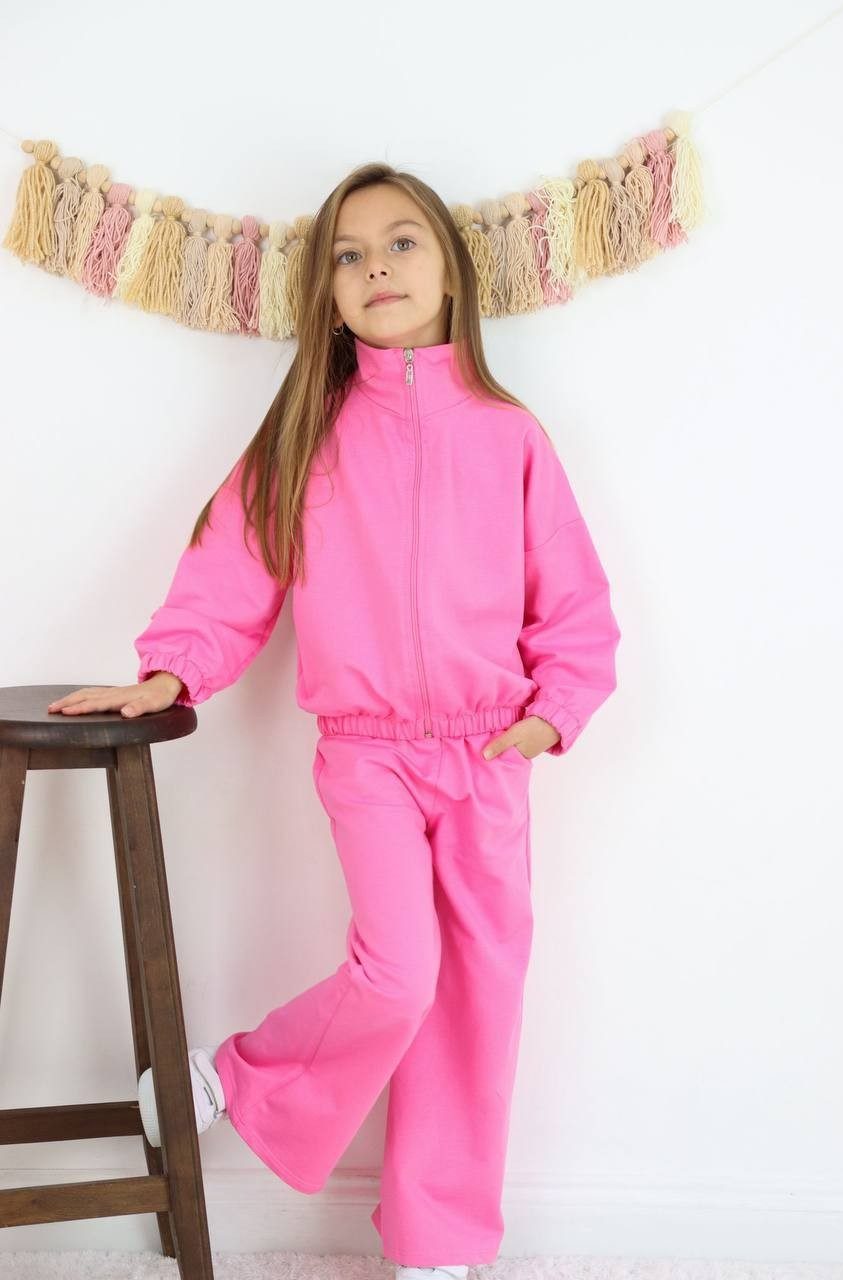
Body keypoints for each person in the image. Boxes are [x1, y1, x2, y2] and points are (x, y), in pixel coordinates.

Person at [46, 162, 622, 1275]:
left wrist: (553, 713)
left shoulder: (510, 435)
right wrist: (169, 672)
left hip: (491, 751)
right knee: (400, 974)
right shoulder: (307, 434)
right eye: (348, 256)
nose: (375, 268)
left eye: (401, 243)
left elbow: (573, 597)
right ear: (328, 292)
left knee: (476, 999)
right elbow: (231, 571)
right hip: (368, 754)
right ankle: (233, 1074)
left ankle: (436, 1245)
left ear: (450, 270)